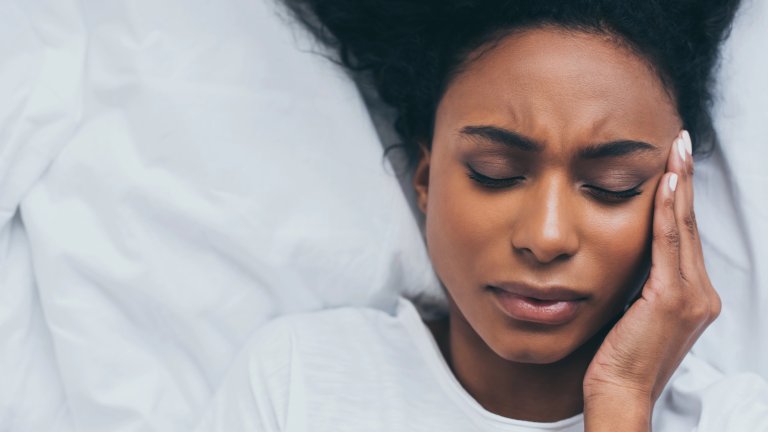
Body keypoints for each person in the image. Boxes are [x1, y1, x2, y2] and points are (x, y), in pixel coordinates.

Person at [197, 1, 752, 430]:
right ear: (423, 178)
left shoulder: (732, 419)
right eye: (495, 172)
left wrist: (623, 400)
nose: (546, 236)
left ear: (676, 201)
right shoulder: (299, 378)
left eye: (613, 186)